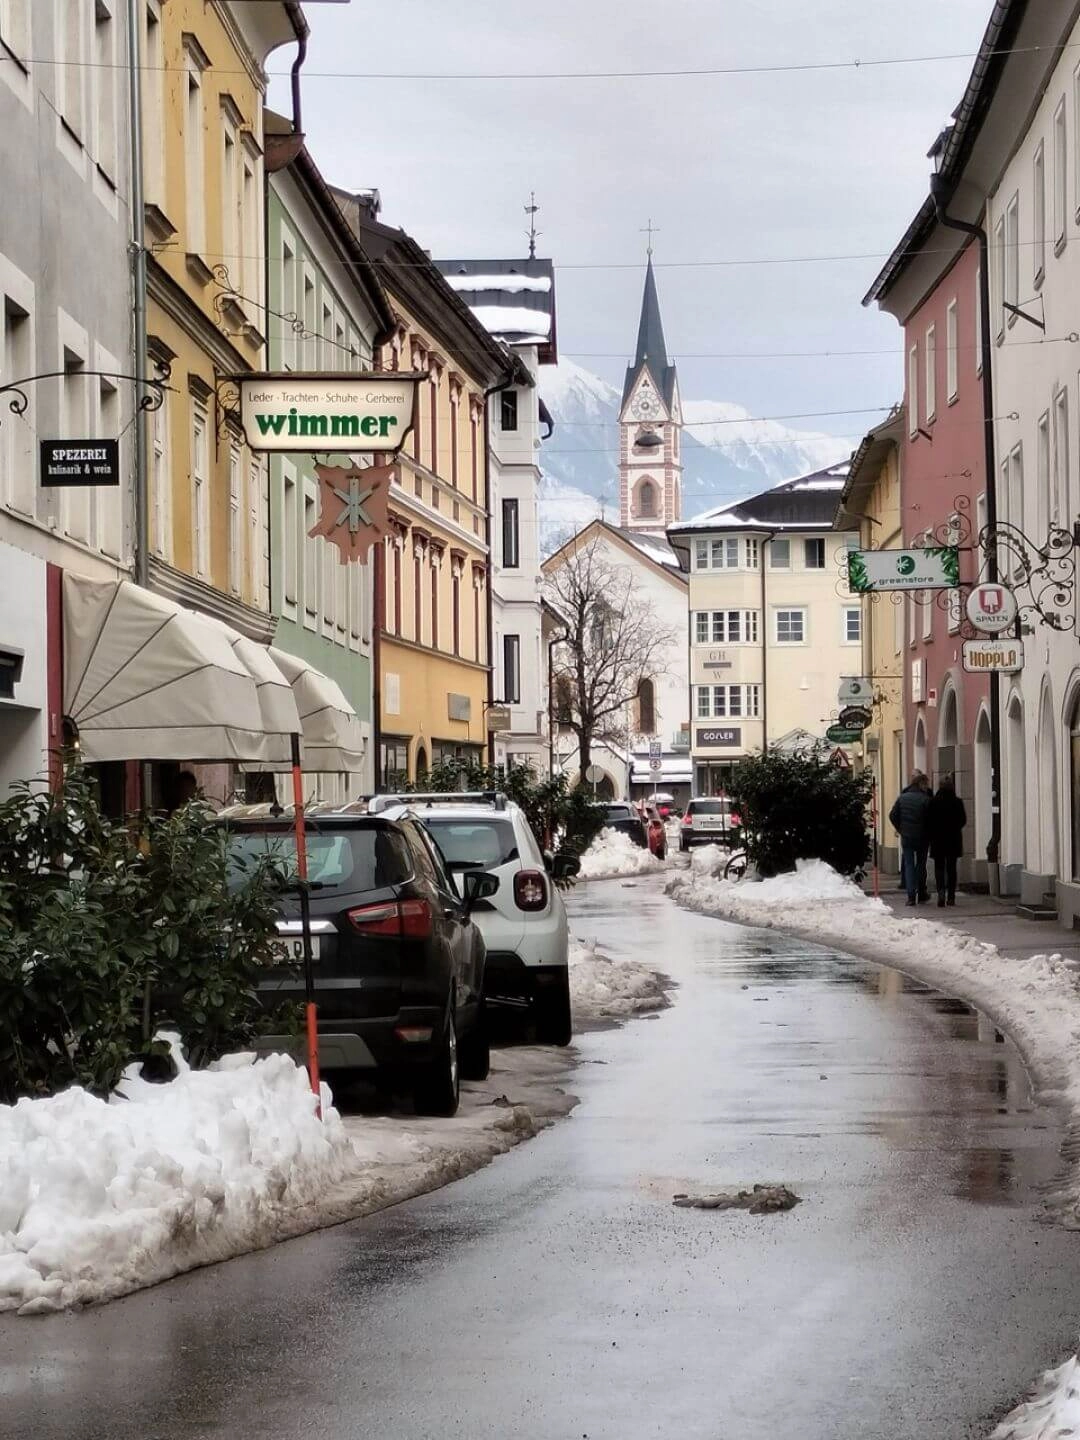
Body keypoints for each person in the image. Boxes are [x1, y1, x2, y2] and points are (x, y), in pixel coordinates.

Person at [889, 772, 932, 906]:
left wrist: (901, 829)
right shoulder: (925, 799)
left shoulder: (902, 798)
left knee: (908, 865)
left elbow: (892, 815)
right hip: (922, 837)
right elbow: (931, 819)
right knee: (920, 865)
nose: (927, 787)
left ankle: (911, 896)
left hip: (906, 837)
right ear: (921, 784)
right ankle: (922, 893)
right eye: (926, 784)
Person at [927, 774, 967, 907]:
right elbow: (963, 820)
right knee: (951, 868)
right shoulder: (957, 802)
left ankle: (941, 893)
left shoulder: (933, 802)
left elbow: (928, 820)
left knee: (939, 867)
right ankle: (951, 896)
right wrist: (954, 828)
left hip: (937, 839)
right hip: (953, 839)